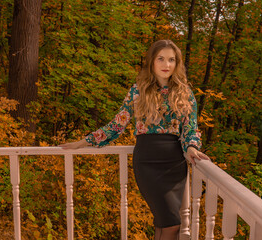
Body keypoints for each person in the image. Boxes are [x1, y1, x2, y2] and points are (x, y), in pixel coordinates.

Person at [59, 39, 210, 240]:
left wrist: (191, 147)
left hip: (175, 164)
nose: (166, 65)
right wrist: (83, 142)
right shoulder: (139, 90)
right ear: (152, 62)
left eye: (171, 60)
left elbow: (190, 129)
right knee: (172, 223)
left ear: (177, 63)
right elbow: (117, 124)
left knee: (164, 224)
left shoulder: (185, 93)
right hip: (147, 163)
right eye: (161, 59)